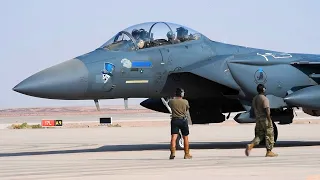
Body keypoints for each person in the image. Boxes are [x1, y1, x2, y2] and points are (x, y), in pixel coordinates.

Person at [245, 84, 278, 157]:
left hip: (258, 119)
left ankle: (251, 145)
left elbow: (253, 108)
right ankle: (269, 151)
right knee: (269, 134)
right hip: (265, 119)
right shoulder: (264, 99)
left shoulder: (255, 98)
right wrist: (269, 119)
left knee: (260, 135)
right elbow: (267, 109)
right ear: (263, 90)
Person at [168, 88, 192, 159]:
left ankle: (172, 153)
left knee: (173, 138)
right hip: (183, 121)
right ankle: (186, 154)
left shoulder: (171, 101)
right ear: (182, 94)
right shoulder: (185, 102)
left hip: (174, 120)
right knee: (185, 138)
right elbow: (187, 108)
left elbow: (170, 105)